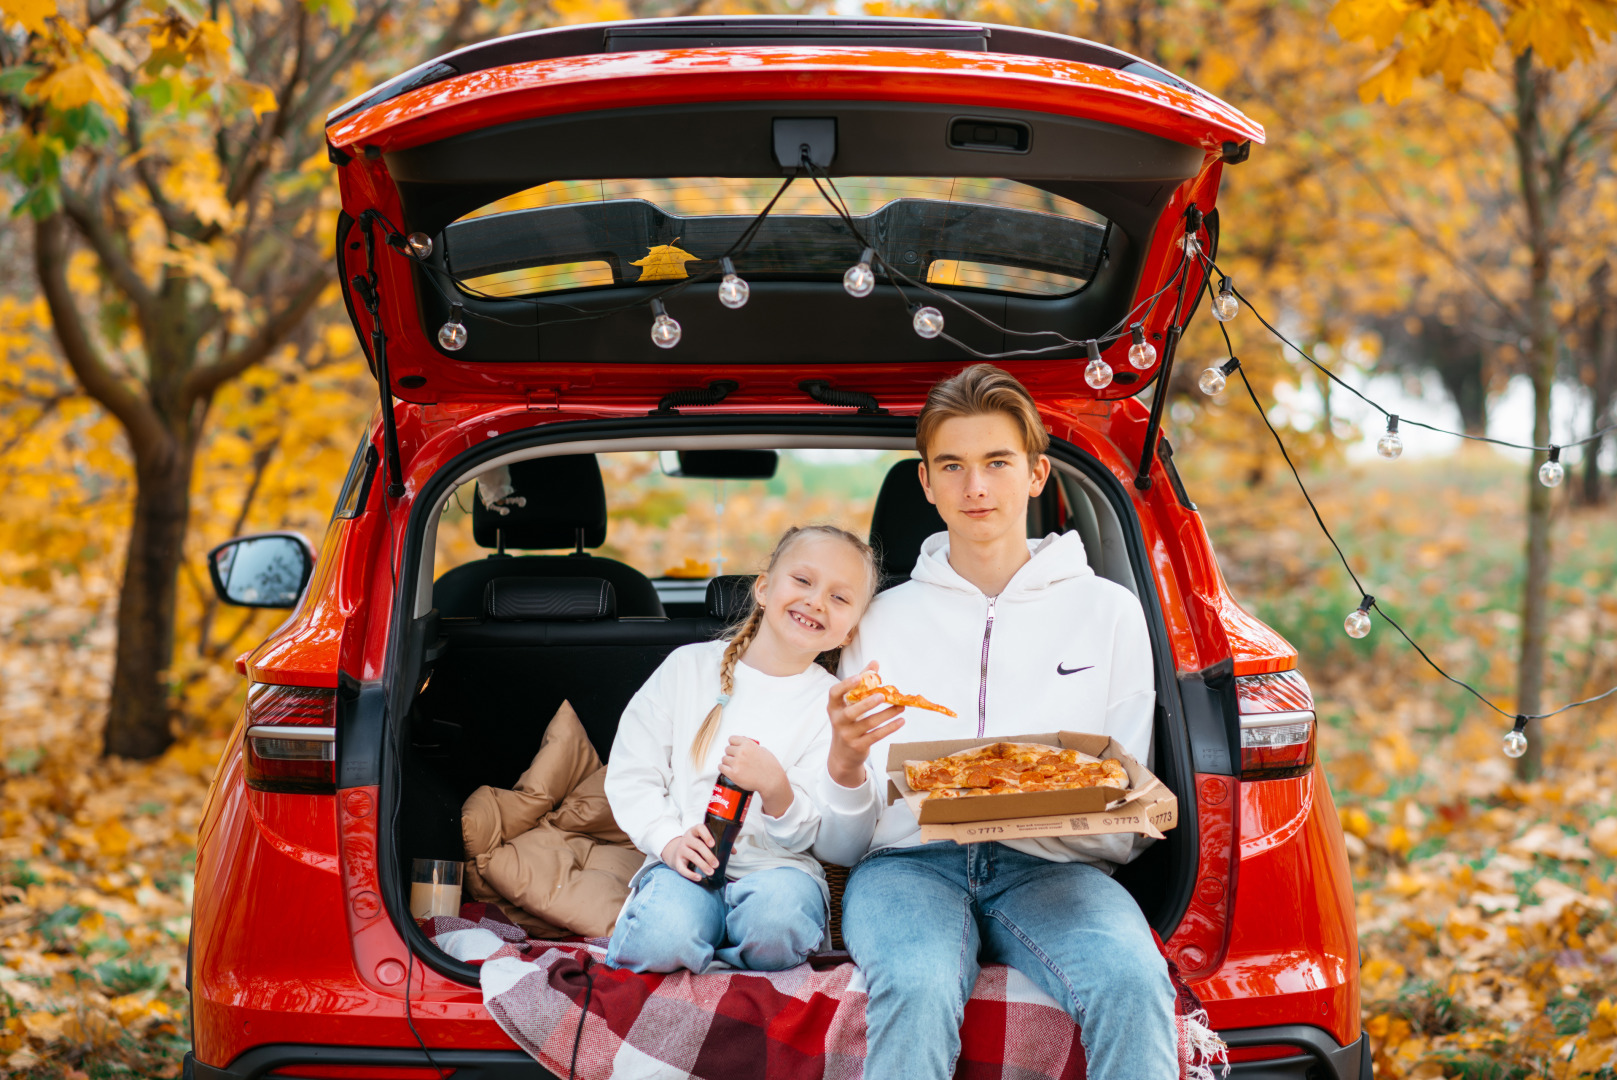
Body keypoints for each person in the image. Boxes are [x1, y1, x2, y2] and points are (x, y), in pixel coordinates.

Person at [811, 364, 1178, 1079]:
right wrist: (846, 767)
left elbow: (1127, 814)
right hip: (904, 870)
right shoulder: (877, 620)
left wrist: (1042, 808)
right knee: (915, 987)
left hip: (1054, 873)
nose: (974, 487)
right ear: (925, 483)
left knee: (1134, 983)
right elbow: (842, 844)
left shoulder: (1106, 611)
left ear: (1037, 474)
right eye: (951, 465)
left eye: (996, 463)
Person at [604, 525, 880, 973]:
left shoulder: (832, 706)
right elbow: (632, 774)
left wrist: (776, 789)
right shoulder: (688, 668)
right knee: (660, 938)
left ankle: (720, 973)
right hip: (686, 863)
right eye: (804, 581)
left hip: (780, 871)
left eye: (839, 598)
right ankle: (706, 956)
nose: (815, 602)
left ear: (849, 633)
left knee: (778, 927)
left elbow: (813, 837)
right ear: (765, 589)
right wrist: (667, 839)